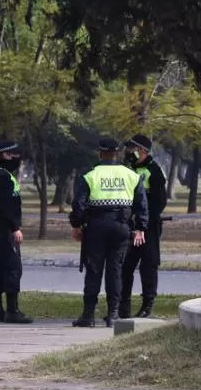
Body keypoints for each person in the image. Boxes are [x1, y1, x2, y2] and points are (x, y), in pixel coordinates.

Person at [69, 137, 149, 328]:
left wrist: (77, 225)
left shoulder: (90, 175)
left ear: (100, 152)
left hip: (96, 227)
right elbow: (142, 205)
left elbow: (78, 205)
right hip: (121, 227)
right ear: (118, 153)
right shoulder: (131, 175)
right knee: (116, 271)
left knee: (94, 271)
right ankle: (113, 314)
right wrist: (140, 228)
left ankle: (88, 315)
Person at [0, 140, 32, 324]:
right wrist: (15, 228)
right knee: (13, 268)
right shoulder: (3, 177)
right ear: (4, 155)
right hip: (4, 229)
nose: (17, 158)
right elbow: (6, 207)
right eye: (13, 154)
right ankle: (12, 311)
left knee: (0, 268)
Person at [120, 134, 167, 318]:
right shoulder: (128, 169)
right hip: (128, 227)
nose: (129, 152)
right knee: (125, 266)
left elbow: (159, 202)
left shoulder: (154, 171)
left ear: (142, 150)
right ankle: (123, 307)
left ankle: (147, 305)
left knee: (148, 266)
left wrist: (143, 224)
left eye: (132, 148)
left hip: (149, 227)